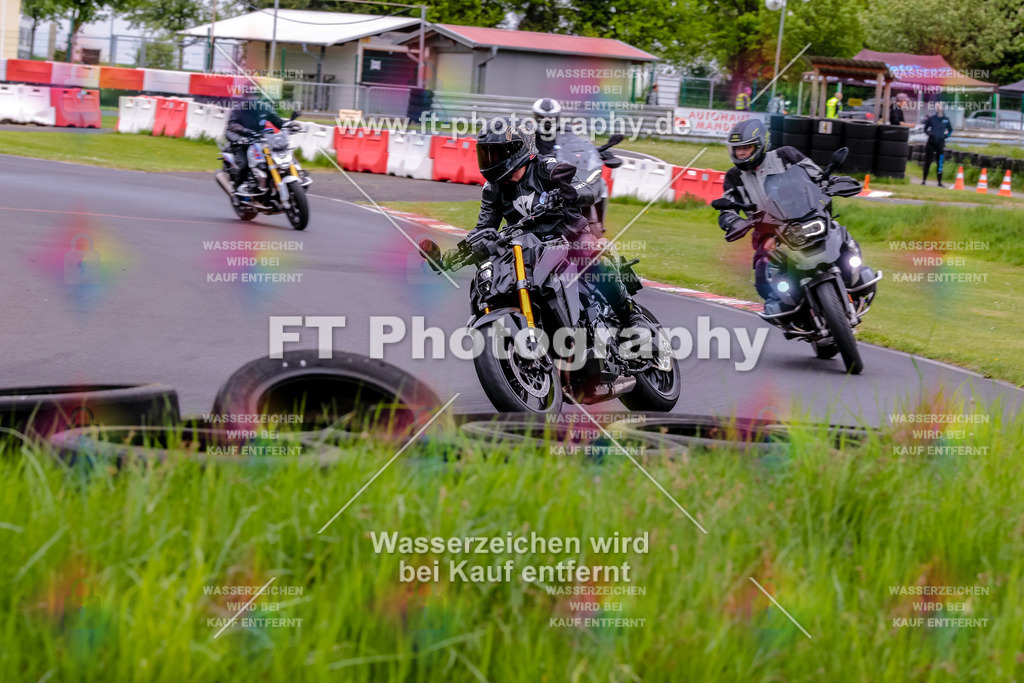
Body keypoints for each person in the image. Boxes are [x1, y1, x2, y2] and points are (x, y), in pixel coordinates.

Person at [463, 116, 649, 334]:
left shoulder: (546, 167)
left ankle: (629, 317)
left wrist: (568, 193)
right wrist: (464, 247)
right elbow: (484, 228)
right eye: (486, 154)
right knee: (494, 275)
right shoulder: (492, 189)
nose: (491, 160)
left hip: (568, 238)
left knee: (588, 253)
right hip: (527, 248)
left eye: (496, 153)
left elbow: (588, 190)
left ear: (516, 150)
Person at [714, 119, 867, 315]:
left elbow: (817, 176)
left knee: (842, 239)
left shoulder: (786, 155)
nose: (741, 153)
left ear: (760, 144)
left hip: (807, 217)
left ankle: (856, 283)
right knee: (763, 275)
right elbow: (727, 206)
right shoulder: (733, 177)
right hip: (769, 233)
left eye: (746, 147)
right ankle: (790, 310)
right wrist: (731, 220)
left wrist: (832, 182)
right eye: (737, 149)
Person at [225, 90, 287, 194]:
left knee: (275, 158)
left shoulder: (264, 108)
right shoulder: (239, 109)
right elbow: (232, 125)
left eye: (256, 96)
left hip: (259, 140)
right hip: (241, 139)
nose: (253, 98)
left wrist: (288, 125)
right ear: (245, 97)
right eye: (250, 96)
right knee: (243, 164)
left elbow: (277, 121)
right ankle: (237, 191)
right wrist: (244, 133)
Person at [921, 102, 953, 187]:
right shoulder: (932, 119)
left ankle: (939, 182)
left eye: (940, 107)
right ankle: (924, 180)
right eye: (937, 107)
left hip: (940, 144)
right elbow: (925, 129)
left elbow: (951, 130)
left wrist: (945, 136)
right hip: (931, 143)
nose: (938, 108)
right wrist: (929, 134)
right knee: (928, 162)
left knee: (940, 163)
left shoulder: (946, 119)